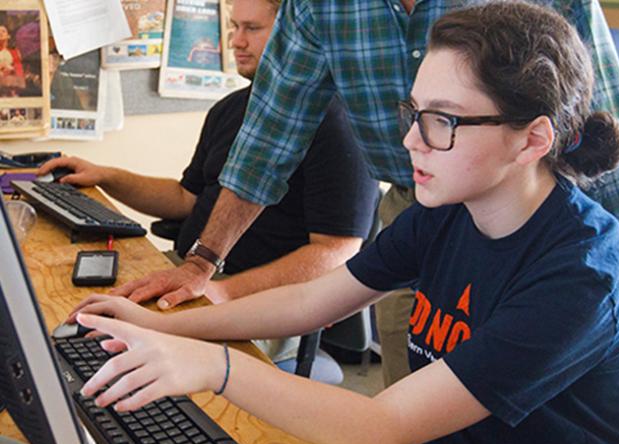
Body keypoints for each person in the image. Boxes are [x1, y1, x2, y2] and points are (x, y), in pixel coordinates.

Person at [75, 3, 619, 444]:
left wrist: (212, 366)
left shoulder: (580, 275)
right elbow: (310, 304)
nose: (408, 141)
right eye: (412, 114)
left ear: (533, 139)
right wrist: (159, 327)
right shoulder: (446, 214)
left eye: (440, 121)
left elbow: (377, 427)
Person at [40, 0, 379, 360]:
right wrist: (107, 176)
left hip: (257, 302)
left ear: (294, 36)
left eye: (252, 29)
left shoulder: (338, 125)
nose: (235, 41)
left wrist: (226, 292)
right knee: (68, 316)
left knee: (115, 356)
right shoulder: (230, 108)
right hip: (190, 274)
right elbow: (186, 198)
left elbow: (336, 253)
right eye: (234, 27)